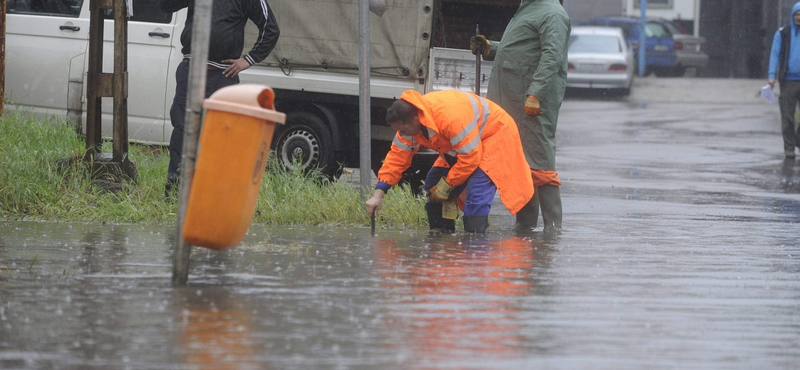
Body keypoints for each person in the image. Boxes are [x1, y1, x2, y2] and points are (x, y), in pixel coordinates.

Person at [365, 90, 534, 234]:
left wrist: (448, 185)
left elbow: (471, 158)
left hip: (494, 136)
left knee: (476, 194)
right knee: (433, 185)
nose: (401, 134)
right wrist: (377, 195)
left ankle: (475, 246)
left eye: (403, 129)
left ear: (415, 120)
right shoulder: (411, 125)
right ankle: (442, 237)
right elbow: (396, 159)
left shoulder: (450, 118)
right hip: (467, 147)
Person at [470, 0, 570, 232]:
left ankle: (553, 229)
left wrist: (536, 92)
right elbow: (520, 50)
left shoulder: (552, 13)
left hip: (530, 100)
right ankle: (525, 224)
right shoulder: (529, 9)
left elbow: (552, 56)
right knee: (521, 162)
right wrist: (491, 48)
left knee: (539, 160)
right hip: (515, 99)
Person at [161, 0, 280, 196]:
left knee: (223, 134)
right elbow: (166, 6)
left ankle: (215, 193)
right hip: (190, 71)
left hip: (223, 76)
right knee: (183, 128)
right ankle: (175, 191)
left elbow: (271, 28)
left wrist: (249, 60)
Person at [768, 1, 800, 159]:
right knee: (787, 116)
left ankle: (798, 141)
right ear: (792, 15)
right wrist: (771, 75)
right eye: (797, 14)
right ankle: (789, 147)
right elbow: (774, 54)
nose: (799, 17)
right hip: (788, 81)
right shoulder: (783, 33)